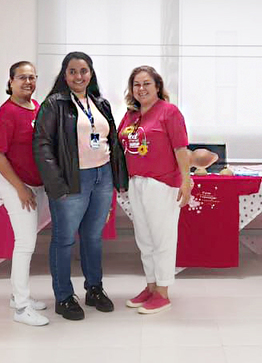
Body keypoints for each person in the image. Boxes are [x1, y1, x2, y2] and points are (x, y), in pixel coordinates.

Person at [33, 51, 128, 321]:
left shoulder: (101, 103)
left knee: (93, 238)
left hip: (101, 178)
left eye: (83, 71)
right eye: (73, 71)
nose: (79, 76)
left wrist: (116, 178)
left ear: (91, 73)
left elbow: (112, 142)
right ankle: (63, 297)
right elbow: (41, 146)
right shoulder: (54, 104)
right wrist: (56, 184)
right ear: (65, 74)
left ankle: (94, 289)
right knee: (64, 240)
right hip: (71, 180)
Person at [117, 66, 192, 315]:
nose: (141, 89)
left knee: (162, 239)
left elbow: (181, 150)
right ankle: (150, 286)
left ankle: (163, 292)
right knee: (145, 239)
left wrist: (186, 181)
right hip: (136, 183)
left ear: (157, 86)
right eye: (136, 84)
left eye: (147, 83)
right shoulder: (130, 116)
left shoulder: (169, 113)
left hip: (162, 184)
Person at [0, 61, 49, 327]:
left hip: (34, 184)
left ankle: (18, 295)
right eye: (22, 77)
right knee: (25, 244)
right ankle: (22, 308)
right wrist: (20, 188)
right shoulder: (7, 113)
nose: (28, 82)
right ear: (11, 81)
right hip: (16, 185)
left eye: (32, 77)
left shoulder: (37, 108)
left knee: (27, 241)